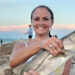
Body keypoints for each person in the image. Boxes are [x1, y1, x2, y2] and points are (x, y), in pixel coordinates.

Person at [9, 5, 71, 75]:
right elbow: (12, 62)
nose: (41, 23)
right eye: (36, 19)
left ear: (52, 23)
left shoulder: (61, 49)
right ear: (31, 22)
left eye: (45, 19)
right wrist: (41, 44)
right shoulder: (21, 46)